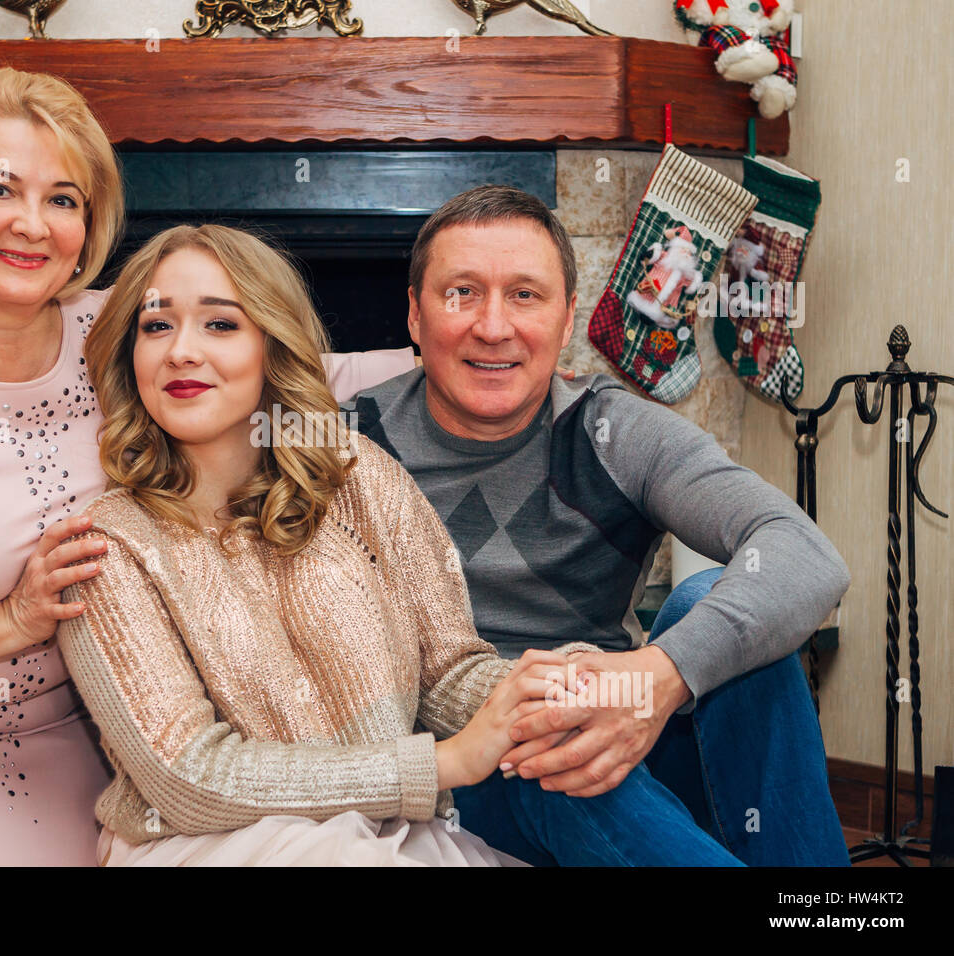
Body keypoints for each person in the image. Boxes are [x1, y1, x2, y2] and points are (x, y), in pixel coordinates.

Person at [0, 68, 414, 866]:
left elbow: (283, 370)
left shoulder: (116, 331)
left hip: (81, 737)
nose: (32, 225)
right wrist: (11, 620)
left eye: (62, 199)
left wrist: (450, 355)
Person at [56, 222, 618, 866]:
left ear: (273, 344)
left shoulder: (354, 472)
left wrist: (552, 689)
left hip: (386, 831)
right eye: (156, 326)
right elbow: (186, 778)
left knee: (585, 760)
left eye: (220, 324)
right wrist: (440, 764)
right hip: (205, 847)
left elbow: (447, 673)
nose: (182, 351)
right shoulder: (104, 544)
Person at [347, 184, 853, 866]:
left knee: (712, 606)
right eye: (461, 292)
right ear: (414, 315)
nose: (493, 326)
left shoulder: (615, 430)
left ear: (566, 320)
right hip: (470, 764)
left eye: (525, 295)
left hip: (625, 739)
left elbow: (806, 556)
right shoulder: (344, 443)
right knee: (544, 730)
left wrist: (655, 677)